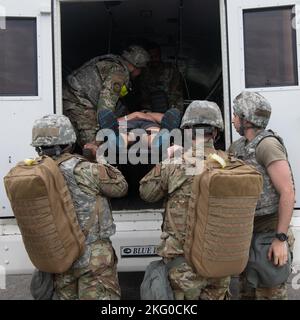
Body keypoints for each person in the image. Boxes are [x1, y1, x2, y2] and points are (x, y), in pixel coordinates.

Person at [139, 101, 230, 300]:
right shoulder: (232, 164)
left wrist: (167, 159)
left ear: (187, 131)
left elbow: (147, 192)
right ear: (215, 132)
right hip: (221, 262)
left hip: (184, 265)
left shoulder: (176, 163)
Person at [31, 114, 128, 300]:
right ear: (69, 140)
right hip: (93, 257)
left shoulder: (35, 172)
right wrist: (99, 158)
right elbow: (120, 187)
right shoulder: (85, 169)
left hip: (60, 256)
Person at [228, 91, 295, 300]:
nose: (232, 119)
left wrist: (280, 238)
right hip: (247, 234)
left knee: (269, 293)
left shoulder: (267, 145)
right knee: (245, 292)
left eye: (235, 115)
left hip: (269, 234)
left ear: (246, 120)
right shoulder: (238, 147)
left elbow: (288, 191)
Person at [63, 45, 150, 149]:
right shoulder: (118, 73)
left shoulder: (113, 63)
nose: (139, 74)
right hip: (78, 101)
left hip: (76, 97)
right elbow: (105, 109)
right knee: (93, 145)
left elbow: (116, 106)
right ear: (136, 67)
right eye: (141, 70)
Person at [137, 42, 184, 115]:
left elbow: (175, 94)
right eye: (151, 57)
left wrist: (173, 113)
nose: (153, 60)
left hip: (171, 107)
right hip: (151, 110)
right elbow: (144, 97)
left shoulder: (171, 70)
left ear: (160, 55)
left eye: (156, 56)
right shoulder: (144, 72)